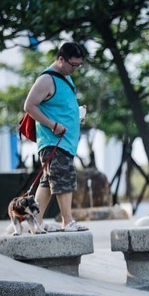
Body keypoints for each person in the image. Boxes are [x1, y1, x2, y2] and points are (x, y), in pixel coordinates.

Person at [24, 42, 88, 232]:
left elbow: (59, 106)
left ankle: (36, 221)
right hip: (54, 141)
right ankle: (67, 221)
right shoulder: (46, 79)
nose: (75, 69)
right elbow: (29, 106)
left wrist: (76, 117)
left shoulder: (65, 77)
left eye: (78, 65)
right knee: (63, 179)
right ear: (61, 59)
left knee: (47, 182)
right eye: (73, 65)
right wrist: (53, 125)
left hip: (65, 142)